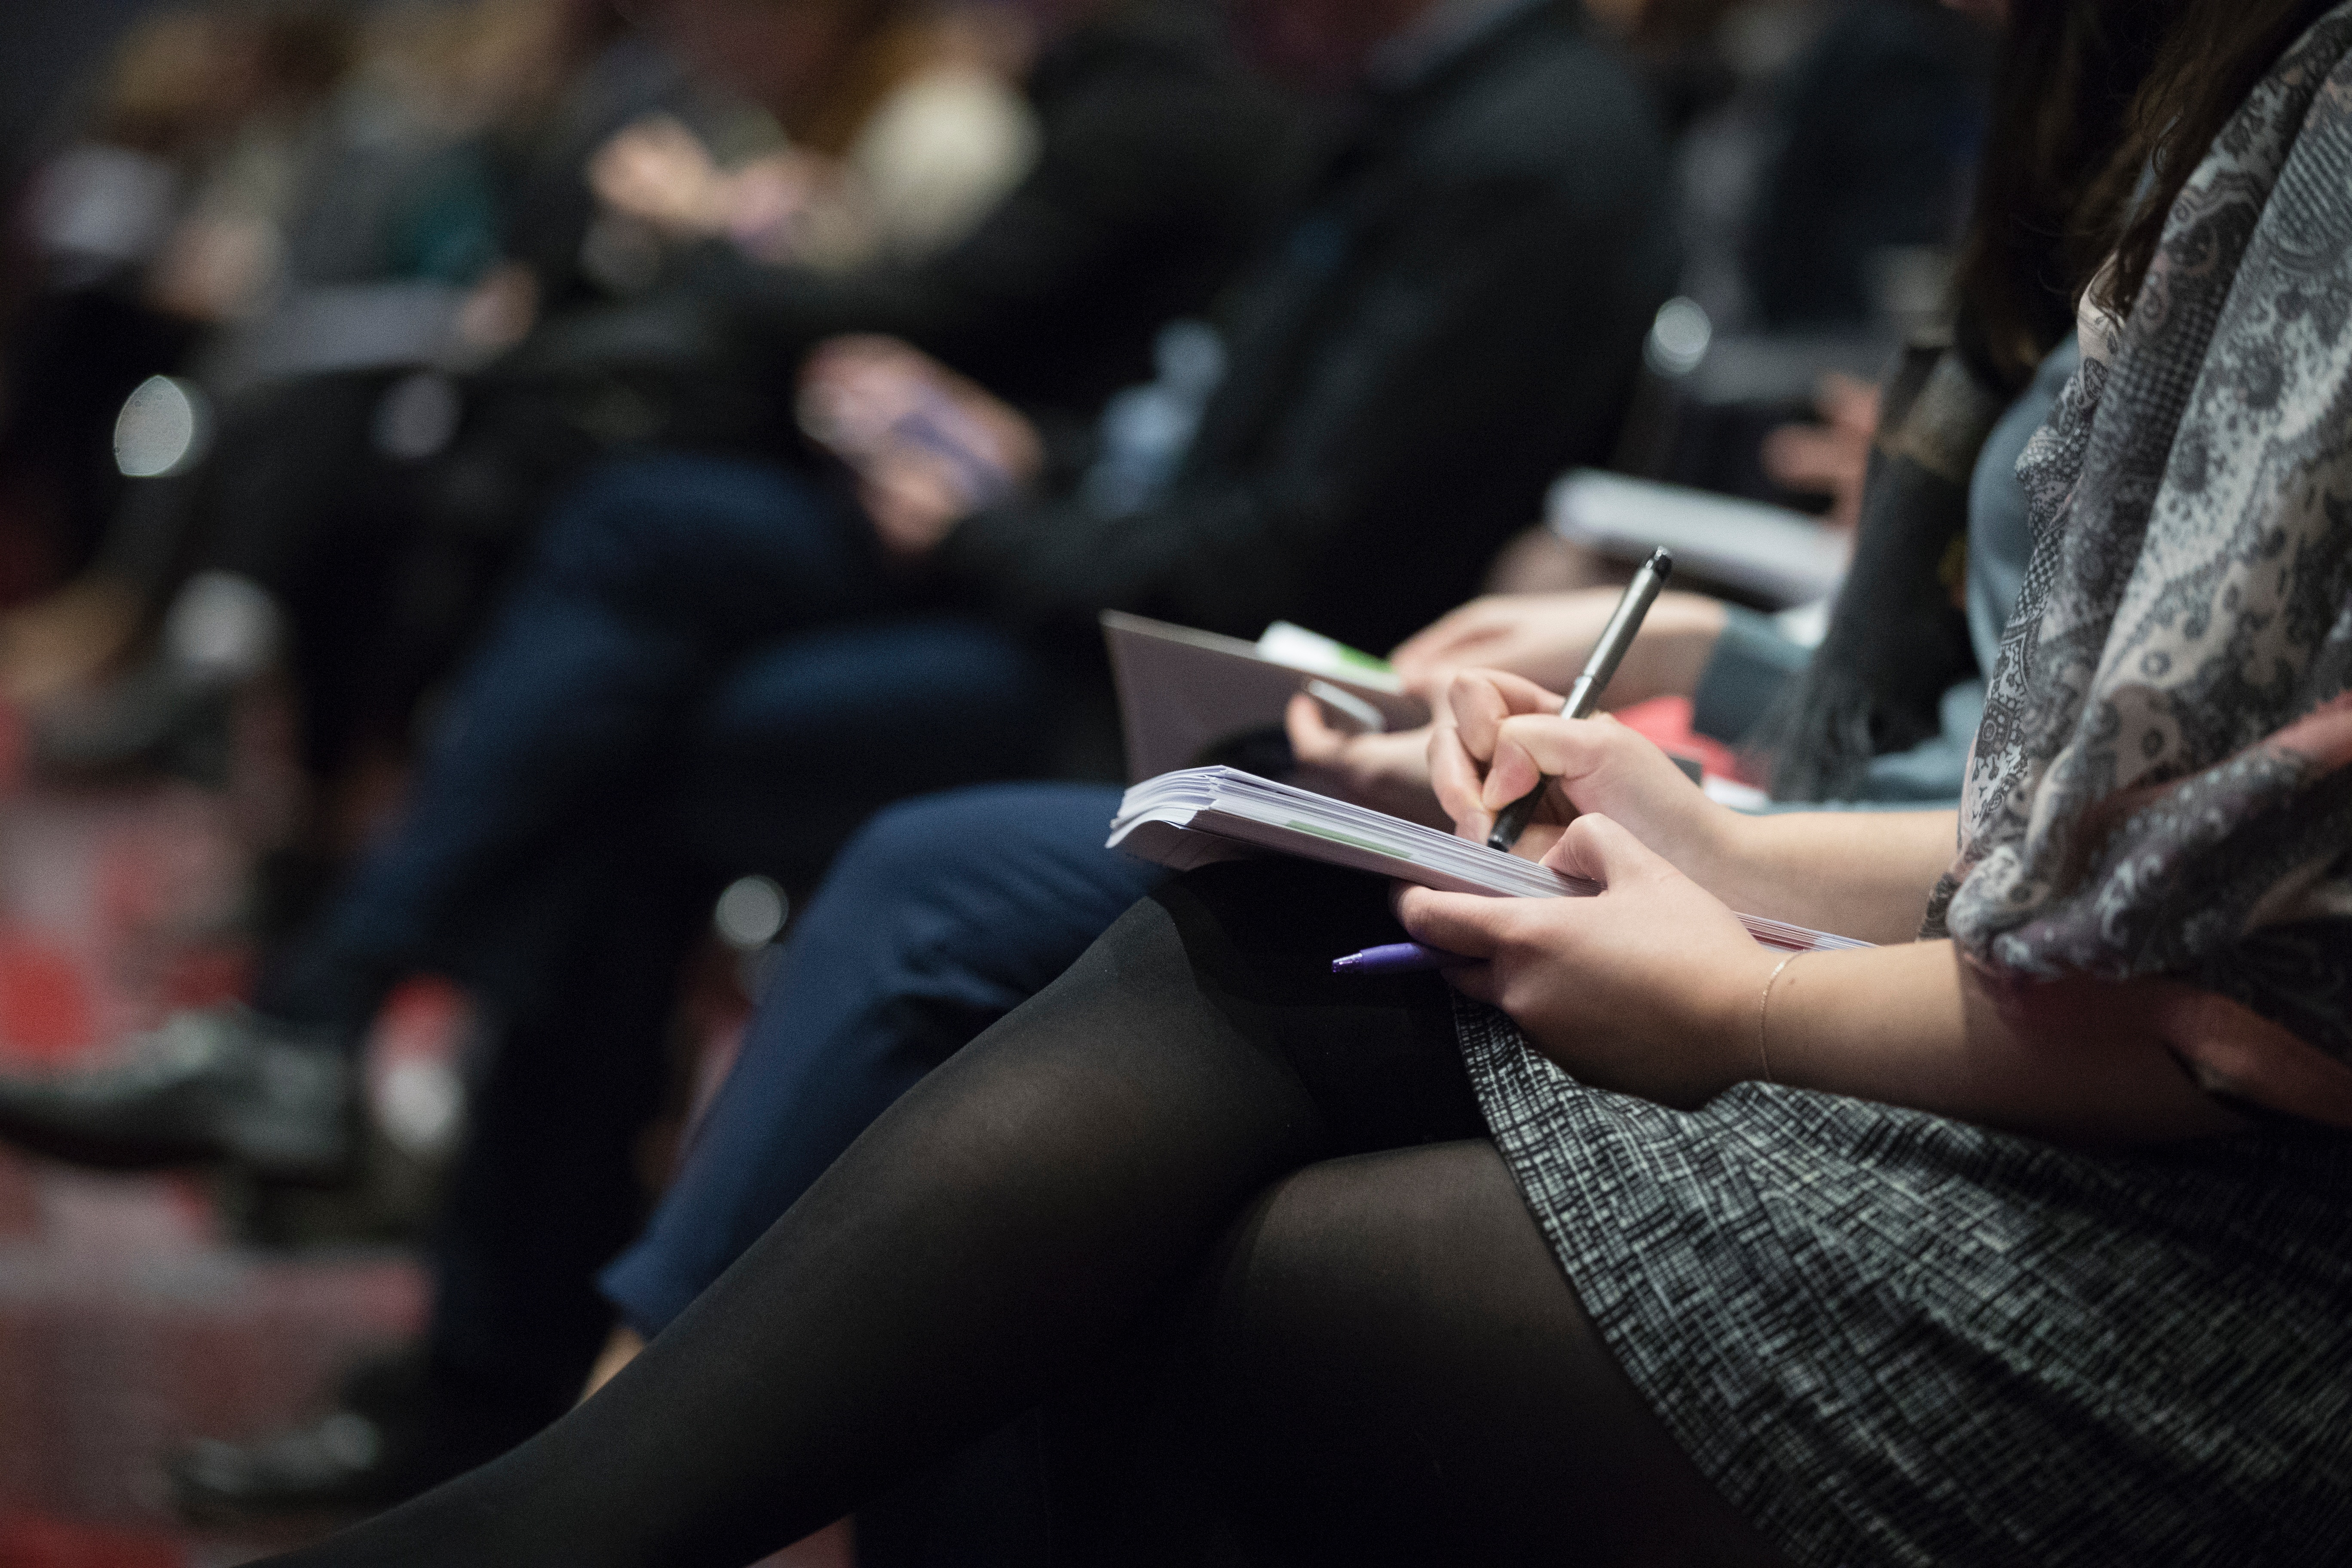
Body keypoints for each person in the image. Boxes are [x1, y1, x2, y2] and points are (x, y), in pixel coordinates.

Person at [237, 0, 2352, 1562]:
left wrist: (1757, 963)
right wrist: (1709, 816)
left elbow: (2217, 978)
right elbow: (2077, 823)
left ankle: (534, 1451)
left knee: (1102, 1113)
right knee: (777, 704)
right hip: (1966, 965)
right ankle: (521, 1424)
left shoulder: (1533, 138)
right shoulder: (2186, 121)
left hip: (2215, 1249)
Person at [0, 0, 1681, 1519]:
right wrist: (1026, 462)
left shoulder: (1509, 144)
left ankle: (533, 1400)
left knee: (671, 738)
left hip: (1240, 691)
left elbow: (1284, 565)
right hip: (1099, 584)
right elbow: (1196, 428)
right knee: (631, 538)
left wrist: (995, 515)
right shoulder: (1386, 94)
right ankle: (481, 1314)